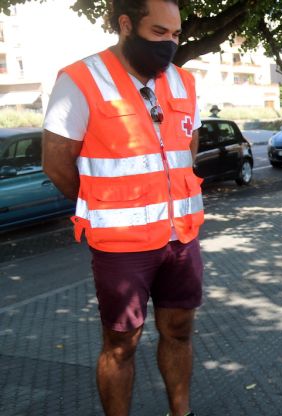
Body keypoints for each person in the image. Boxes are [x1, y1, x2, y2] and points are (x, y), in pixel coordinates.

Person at [41, 1, 203, 415]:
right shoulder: (80, 80)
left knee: (180, 329)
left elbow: (188, 147)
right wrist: (105, 205)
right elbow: (57, 162)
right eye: (159, 33)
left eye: (176, 35)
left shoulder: (184, 81)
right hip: (120, 244)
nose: (170, 44)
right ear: (126, 24)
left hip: (180, 237)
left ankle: (180, 412)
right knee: (121, 344)